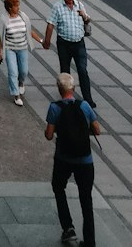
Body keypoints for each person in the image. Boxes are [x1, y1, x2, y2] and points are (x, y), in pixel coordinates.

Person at [45, 72, 99, 247]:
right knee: (86, 199)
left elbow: (48, 135)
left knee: (58, 187)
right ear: (74, 89)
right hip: (85, 159)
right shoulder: (84, 106)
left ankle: (68, 228)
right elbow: (97, 130)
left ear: (59, 90)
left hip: (64, 157)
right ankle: (90, 240)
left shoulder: (55, 108)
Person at [41, 0, 94, 107]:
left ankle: (88, 99)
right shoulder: (57, 7)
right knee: (65, 72)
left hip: (79, 43)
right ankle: (66, 98)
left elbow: (87, 20)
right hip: (64, 43)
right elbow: (50, 24)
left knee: (82, 70)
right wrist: (47, 41)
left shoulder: (79, 5)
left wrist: (84, 16)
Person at [0, 0, 34, 106]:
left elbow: (29, 30)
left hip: (22, 47)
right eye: (16, 6)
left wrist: (41, 40)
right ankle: (16, 95)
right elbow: (0, 37)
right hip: (10, 48)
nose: (18, 8)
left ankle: (21, 83)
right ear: (10, 8)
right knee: (13, 72)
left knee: (23, 71)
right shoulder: (4, 19)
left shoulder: (23, 16)